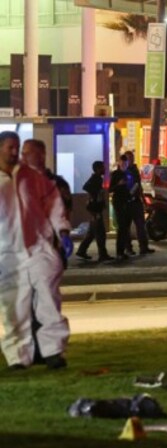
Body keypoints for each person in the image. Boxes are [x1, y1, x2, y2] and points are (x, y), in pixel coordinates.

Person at [0, 131, 71, 370]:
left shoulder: (31, 177)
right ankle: (18, 357)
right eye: (10, 147)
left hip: (39, 247)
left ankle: (53, 352)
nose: (15, 152)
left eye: (17, 147)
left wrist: (61, 230)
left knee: (49, 301)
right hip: (6, 253)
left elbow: (52, 203)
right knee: (14, 307)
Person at [21, 139, 73, 267]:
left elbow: (64, 213)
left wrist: (64, 235)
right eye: (23, 154)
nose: (23, 157)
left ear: (42, 155)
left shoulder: (58, 185)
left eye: (28, 153)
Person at [76, 161, 113, 262]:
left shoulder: (98, 179)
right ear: (98, 169)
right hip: (95, 210)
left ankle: (81, 251)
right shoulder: (95, 179)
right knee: (100, 233)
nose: (105, 170)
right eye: (103, 168)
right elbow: (87, 187)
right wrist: (94, 196)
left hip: (95, 209)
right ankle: (102, 254)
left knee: (92, 232)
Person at [124, 151, 155, 255]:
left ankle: (143, 247)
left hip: (136, 201)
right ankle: (128, 248)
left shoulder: (134, 170)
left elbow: (139, 186)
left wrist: (143, 200)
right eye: (128, 158)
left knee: (141, 225)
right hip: (127, 202)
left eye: (131, 158)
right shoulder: (124, 171)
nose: (130, 160)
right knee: (127, 227)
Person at [110, 155, 133, 261]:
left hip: (127, 202)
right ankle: (119, 252)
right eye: (122, 163)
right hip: (119, 202)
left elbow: (131, 187)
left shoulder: (129, 174)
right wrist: (118, 185)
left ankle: (124, 250)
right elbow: (110, 189)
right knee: (122, 227)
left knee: (125, 228)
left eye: (126, 163)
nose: (124, 165)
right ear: (119, 163)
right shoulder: (115, 174)